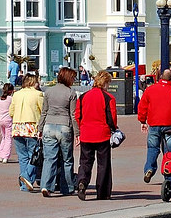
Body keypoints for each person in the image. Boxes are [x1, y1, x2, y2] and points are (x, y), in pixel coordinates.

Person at [137, 69, 171, 183]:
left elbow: (142, 106)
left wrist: (142, 121)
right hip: (169, 125)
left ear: (160, 78)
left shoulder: (150, 90)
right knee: (169, 151)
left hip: (154, 124)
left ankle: (149, 169)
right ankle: (169, 176)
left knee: (152, 148)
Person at [75, 69, 117, 201]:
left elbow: (78, 115)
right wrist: (114, 129)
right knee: (103, 164)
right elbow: (112, 117)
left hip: (86, 133)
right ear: (105, 83)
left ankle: (82, 182)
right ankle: (103, 192)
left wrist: (82, 127)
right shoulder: (108, 97)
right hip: (102, 133)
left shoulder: (83, 97)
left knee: (85, 161)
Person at [38, 67, 78, 197]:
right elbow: (73, 114)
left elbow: (44, 111)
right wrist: (77, 133)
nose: (74, 80)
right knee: (67, 160)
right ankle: (67, 187)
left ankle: (46, 186)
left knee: (49, 158)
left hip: (48, 126)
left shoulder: (49, 91)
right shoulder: (71, 93)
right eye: (73, 78)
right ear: (68, 78)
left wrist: (40, 128)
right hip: (64, 126)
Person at [10, 73, 44, 192]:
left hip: (17, 126)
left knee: (23, 157)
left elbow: (11, 112)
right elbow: (43, 110)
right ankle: (26, 177)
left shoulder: (17, 94)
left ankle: (24, 184)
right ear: (33, 82)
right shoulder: (38, 94)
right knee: (34, 155)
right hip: (31, 126)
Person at [0, 83, 14, 163]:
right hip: (8, 120)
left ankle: (0, 155)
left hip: (0, 120)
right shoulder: (11, 99)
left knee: (3, 138)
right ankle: (5, 156)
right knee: (8, 138)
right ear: (11, 91)